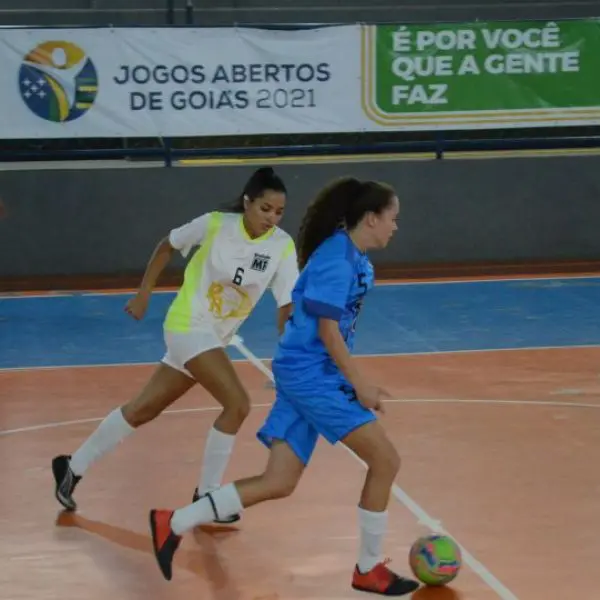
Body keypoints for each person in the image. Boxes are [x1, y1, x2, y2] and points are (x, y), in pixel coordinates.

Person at [148, 177, 420, 596]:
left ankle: (175, 521)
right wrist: (359, 381)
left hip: (304, 370)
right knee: (385, 461)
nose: (396, 227)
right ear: (370, 218)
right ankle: (367, 569)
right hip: (312, 374)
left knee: (280, 481)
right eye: (393, 219)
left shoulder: (352, 256)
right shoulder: (337, 260)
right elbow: (328, 329)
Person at [51, 166, 299, 525]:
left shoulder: (281, 245)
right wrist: (143, 293)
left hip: (213, 338)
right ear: (247, 202)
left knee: (142, 410)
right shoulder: (215, 224)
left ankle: (71, 467)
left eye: (278, 212)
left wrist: (290, 349)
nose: (271, 218)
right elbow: (167, 245)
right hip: (187, 325)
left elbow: (286, 304)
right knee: (238, 404)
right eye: (265, 209)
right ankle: (207, 494)